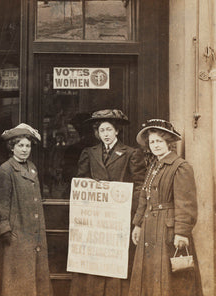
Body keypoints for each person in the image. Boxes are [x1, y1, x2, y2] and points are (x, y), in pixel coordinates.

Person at [69, 109, 146, 296]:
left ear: (117, 131)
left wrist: (131, 211)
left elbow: (139, 185)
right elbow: (82, 181)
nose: (106, 134)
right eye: (102, 130)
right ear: (98, 133)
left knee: (116, 261)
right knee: (95, 261)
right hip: (96, 219)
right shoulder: (89, 152)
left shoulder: (130, 153)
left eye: (109, 130)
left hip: (119, 218)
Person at [129, 119, 202, 296]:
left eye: (159, 141)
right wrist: (137, 224)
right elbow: (144, 199)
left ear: (168, 143)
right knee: (148, 278)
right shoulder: (154, 166)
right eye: (152, 142)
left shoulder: (180, 167)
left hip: (167, 232)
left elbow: (186, 204)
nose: (155, 145)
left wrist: (182, 233)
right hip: (149, 229)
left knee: (169, 281)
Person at [0, 123, 52, 296]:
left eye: (27, 146)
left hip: (33, 234)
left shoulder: (31, 167)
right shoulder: (6, 169)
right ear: (12, 147)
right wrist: (5, 230)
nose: (24, 149)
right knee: (16, 281)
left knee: (32, 278)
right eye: (20, 145)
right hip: (15, 235)